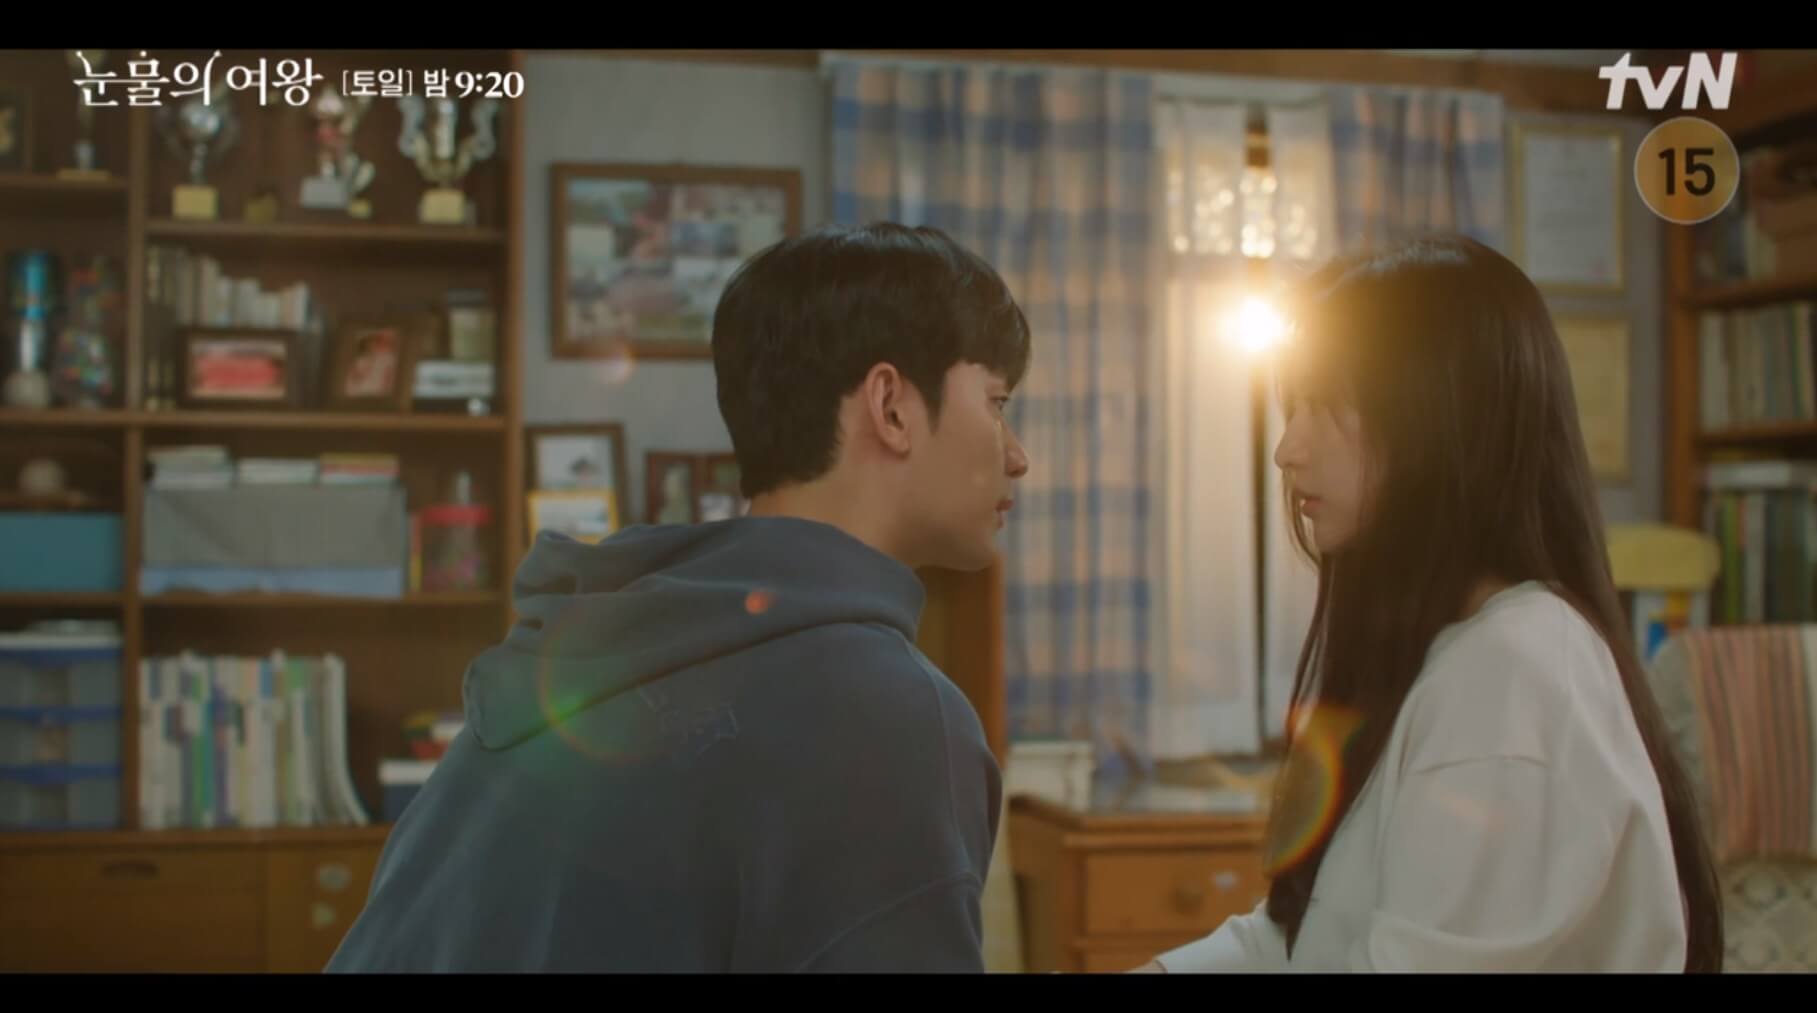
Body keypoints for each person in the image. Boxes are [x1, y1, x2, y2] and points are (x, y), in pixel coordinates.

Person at [326, 223, 1032, 973]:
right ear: (890, 406)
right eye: (996, 402)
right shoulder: (893, 715)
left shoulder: (580, 648)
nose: (1017, 455)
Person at [1135, 235, 1723, 973]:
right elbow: (1297, 939)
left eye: (1324, 406)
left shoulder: (1513, 671)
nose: (1287, 449)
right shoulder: (1451, 651)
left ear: (1441, 421)